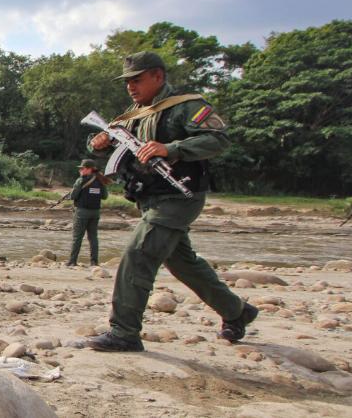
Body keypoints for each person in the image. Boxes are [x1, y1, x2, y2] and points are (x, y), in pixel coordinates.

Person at [85, 52, 258, 352]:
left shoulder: (186, 106)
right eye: (127, 81)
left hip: (179, 196)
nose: (130, 87)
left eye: (136, 80)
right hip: (151, 197)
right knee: (182, 262)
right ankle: (237, 312)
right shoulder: (136, 111)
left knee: (138, 255)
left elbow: (219, 140)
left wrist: (170, 148)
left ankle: (124, 332)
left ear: (158, 76)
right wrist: (100, 143)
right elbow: (111, 143)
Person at [67, 159, 108, 266]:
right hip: (95, 212)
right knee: (93, 237)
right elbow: (105, 196)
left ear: (89, 169)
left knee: (77, 237)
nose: (80, 170)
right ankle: (94, 262)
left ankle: (72, 261)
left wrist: (78, 185)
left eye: (82, 168)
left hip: (82, 212)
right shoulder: (100, 181)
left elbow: (72, 196)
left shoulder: (81, 180)